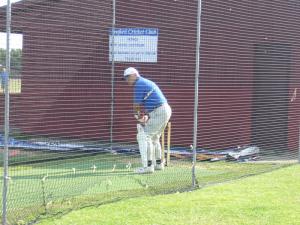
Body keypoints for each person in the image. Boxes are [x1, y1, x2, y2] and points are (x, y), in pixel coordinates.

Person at [123, 67, 172, 174]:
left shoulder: (139, 84)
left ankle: (148, 167)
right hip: (164, 110)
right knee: (154, 138)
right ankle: (159, 164)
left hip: (160, 111)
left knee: (145, 137)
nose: (126, 80)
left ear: (134, 75)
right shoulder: (144, 82)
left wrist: (139, 117)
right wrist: (145, 117)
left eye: (127, 77)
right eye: (125, 78)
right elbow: (150, 103)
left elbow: (136, 106)